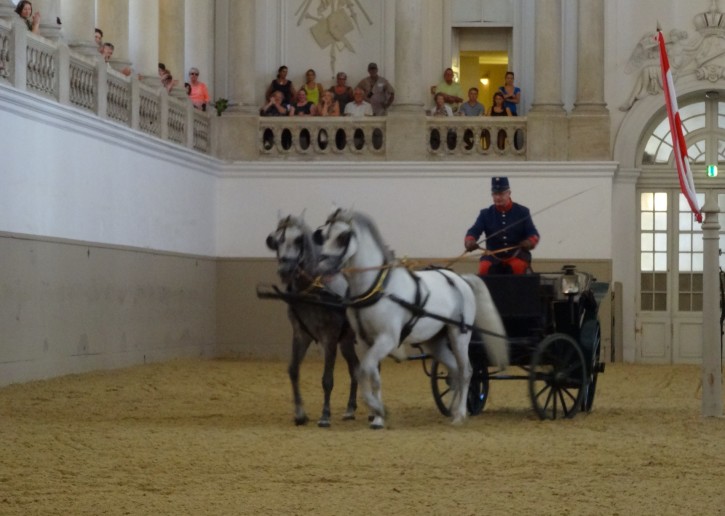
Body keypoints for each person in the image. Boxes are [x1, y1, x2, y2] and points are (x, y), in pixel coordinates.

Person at [464, 177, 539, 276]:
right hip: (492, 256)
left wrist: (529, 242)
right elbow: (474, 230)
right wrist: (470, 241)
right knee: (484, 267)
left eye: (501, 194)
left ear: (509, 193)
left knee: (518, 266)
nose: (498, 198)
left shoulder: (522, 212)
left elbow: (533, 234)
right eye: (495, 194)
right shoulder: (485, 214)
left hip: (517, 255)